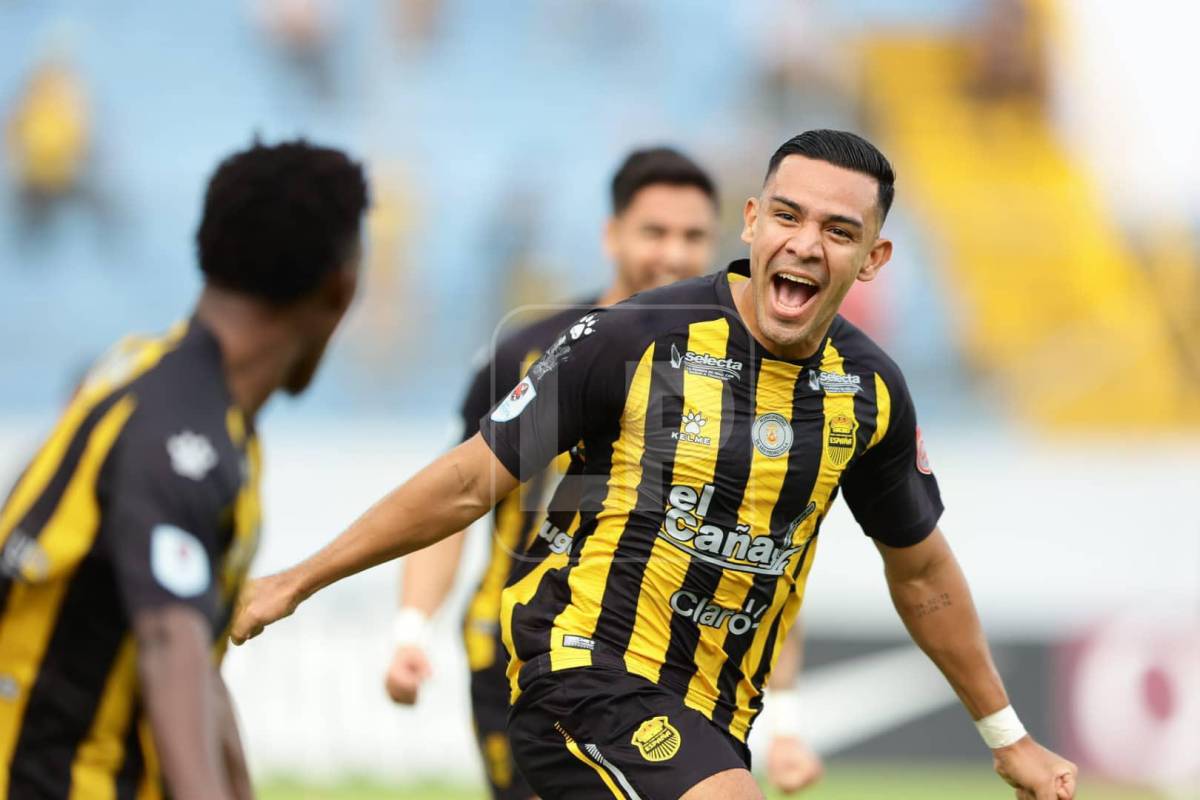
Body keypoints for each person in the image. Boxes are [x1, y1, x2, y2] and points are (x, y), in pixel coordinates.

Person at [231, 129, 1077, 800]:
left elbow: (920, 571)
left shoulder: (871, 393)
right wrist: (292, 584)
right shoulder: (630, 337)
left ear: (875, 259)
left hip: (714, 715)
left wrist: (1008, 739)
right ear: (752, 222)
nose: (806, 244)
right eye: (788, 216)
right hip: (581, 673)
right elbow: (464, 485)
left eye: (839, 230)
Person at [385, 146, 815, 798]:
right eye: (655, 232)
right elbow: (460, 491)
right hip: (522, 654)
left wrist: (783, 721)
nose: (673, 254)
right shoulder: (531, 349)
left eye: (692, 236)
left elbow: (760, 555)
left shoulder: (751, 378)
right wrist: (411, 626)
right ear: (612, 235)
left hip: (672, 669)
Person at [0, 139, 368, 799]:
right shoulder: (180, 439)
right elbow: (170, 644)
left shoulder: (153, 374)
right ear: (340, 289)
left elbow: (197, 658)